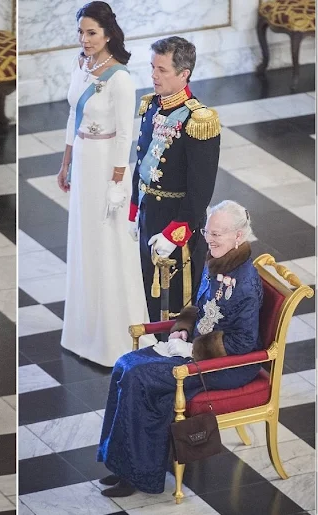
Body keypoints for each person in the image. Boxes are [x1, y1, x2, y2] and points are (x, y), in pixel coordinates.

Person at [97, 201, 263, 497]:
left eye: (217, 235)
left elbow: (243, 343)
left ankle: (138, 475)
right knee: (125, 364)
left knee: (140, 378)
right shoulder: (219, 260)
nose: (209, 240)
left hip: (227, 367)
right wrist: (182, 328)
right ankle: (121, 463)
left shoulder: (246, 283)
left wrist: (191, 350)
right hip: (194, 348)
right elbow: (198, 306)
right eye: (208, 232)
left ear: (238, 236)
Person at [57, 1, 153, 368]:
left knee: (108, 242)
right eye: (81, 32)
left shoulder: (121, 78)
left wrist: (117, 181)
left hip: (106, 167)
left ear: (108, 33)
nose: (84, 39)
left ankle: (114, 336)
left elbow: (126, 134)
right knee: (84, 240)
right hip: (83, 159)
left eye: (91, 32)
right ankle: (83, 331)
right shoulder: (79, 65)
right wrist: (65, 161)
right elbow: (71, 114)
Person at [128, 36, 221, 336]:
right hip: (149, 216)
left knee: (178, 305)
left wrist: (175, 232)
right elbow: (142, 162)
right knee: (152, 295)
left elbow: (200, 191)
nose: (153, 75)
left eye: (162, 70)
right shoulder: (151, 107)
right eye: (152, 67)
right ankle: (158, 352)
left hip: (178, 223)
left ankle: (179, 364)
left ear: (184, 74)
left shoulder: (199, 120)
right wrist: (134, 209)